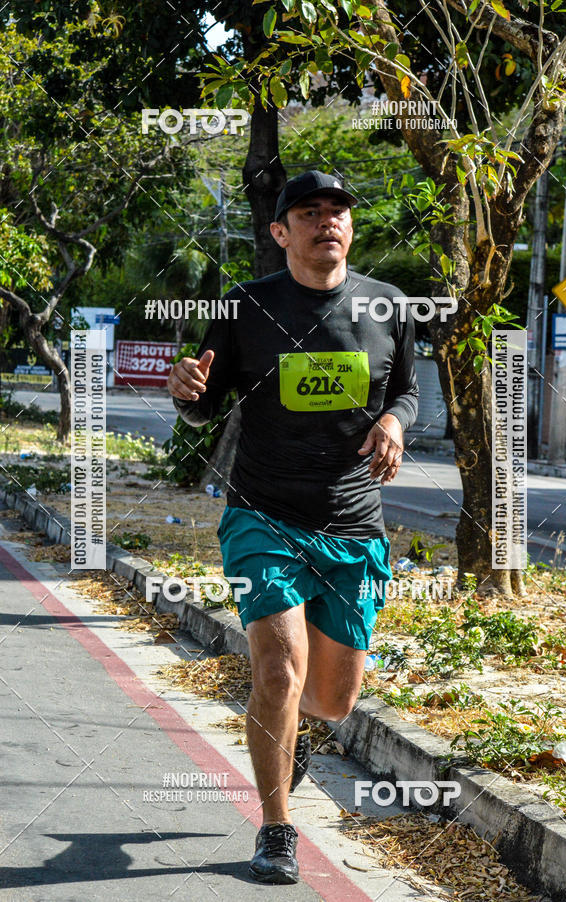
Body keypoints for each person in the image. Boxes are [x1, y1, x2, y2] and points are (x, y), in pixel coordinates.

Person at [167, 170, 419, 885]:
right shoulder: (247, 307)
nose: (326, 222)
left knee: (332, 700)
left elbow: (405, 384)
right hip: (263, 515)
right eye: (308, 213)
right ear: (281, 233)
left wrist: (396, 420)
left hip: (353, 524)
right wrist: (185, 393)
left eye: (337, 211)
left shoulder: (388, 305)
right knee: (277, 670)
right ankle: (277, 828)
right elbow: (202, 404)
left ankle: (293, 733)